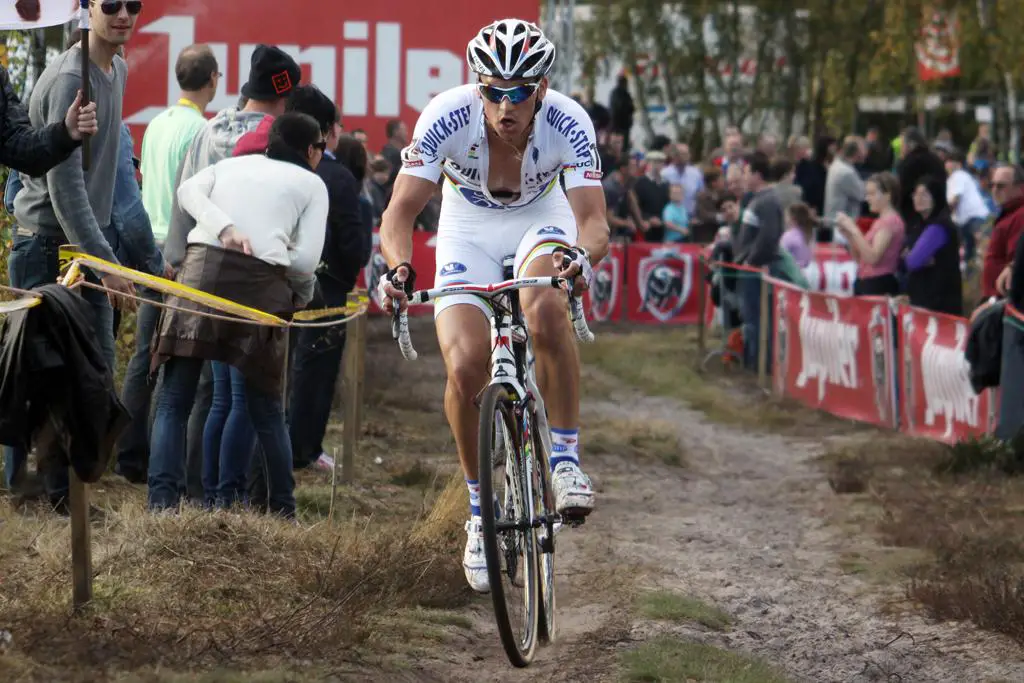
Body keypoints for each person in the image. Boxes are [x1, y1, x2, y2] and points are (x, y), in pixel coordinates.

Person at [377, 19, 604, 593]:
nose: (505, 104)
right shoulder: (446, 116)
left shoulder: (568, 121)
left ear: (542, 88)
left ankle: (566, 459)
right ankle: (479, 516)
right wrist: (399, 268)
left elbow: (594, 222)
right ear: (477, 87)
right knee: (464, 364)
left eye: (518, 91)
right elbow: (399, 214)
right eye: (493, 90)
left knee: (545, 307)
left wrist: (579, 257)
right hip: (467, 228)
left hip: (540, 220)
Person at [148, 112, 329, 515]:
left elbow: (187, 192)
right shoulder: (313, 184)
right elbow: (305, 265)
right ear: (309, 150)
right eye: (321, 147)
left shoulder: (226, 166)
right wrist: (297, 294)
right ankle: (282, 510)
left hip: (197, 274)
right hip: (261, 287)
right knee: (264, 408)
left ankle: (161, 506)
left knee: (173, 401)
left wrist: (222, 227)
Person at [4, 0, 138, 513]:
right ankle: (34, 494)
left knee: (90, 372)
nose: (123, 13)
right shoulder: (69, 81)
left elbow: (108, 180)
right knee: (41, 377)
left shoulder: (116, 67)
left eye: (134, 4)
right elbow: (66, 194)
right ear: (86, 11)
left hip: (86, 242)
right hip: (47, 246)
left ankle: (61, 495)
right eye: (111, 5)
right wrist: (108, 265)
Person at [160, 44, 301, 503]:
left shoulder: (211, 128)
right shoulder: (280, 138)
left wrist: (177, 259)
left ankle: (176, 500)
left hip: (198, 271)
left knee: (188, 398)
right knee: (248, 401)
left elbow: (186, 193)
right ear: (285, 94)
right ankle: (241, 500)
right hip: (253, 280)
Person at [835, 172, 904, 297]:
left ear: (887, 195)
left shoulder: (890, 221)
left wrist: (854, 230)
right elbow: (860, 258)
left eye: (872, 194)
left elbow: (872, 257)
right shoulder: (880, 221)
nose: (867, 199)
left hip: (878, 284)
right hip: (865, 281)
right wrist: (849, 235)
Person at [903, 176, 962, 315]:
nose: (919, 198)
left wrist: (911, 254)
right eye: (916, 194)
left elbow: (913, 261)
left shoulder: (939, 226)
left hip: (938, 302)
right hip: (926, 298)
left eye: (925, 194)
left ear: (936, 197)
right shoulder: (920, 225)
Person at [945, 149, 990, 269]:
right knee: (969, 251)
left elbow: (955, 199)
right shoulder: (954, 178)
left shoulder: (958, 175)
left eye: (951, 161)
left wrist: (943, 215)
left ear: (958, 164)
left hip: (973, 216)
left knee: (978, 242)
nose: (947, 163)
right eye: (947, 161)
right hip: (966, 220)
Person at [987, 164, 1024, 300]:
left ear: (1020, 188)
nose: (995, 190)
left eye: (1001, 186)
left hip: (1002, 300)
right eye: (992, 185)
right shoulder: (1009, 213)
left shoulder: (1020, 216)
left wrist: (993, 302)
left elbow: (1015, 263)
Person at [897, 127, 946, 224]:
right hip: (938, 211)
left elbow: (902, 190)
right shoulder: (935, 159)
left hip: (912, 214)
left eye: (902, 144)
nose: (901, 148)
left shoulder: (908, 163)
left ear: (910, 144)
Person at [781, 201, 815, 268]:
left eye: (786, 216)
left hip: (790, 273)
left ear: (792, 219)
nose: (784, 218)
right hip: (804, 272)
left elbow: (780, 257)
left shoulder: (789, 236)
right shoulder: (808, 234)